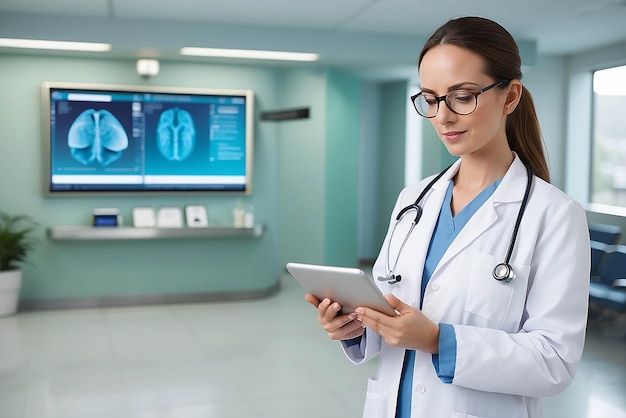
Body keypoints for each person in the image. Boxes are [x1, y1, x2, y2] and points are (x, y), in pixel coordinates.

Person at [305, 16, 590, 418]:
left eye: (462, 96)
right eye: (431, 98)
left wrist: (440, 341)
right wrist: (355, 326)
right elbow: (393, 314)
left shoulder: (555, 216)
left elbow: (555, 362)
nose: (442, 116)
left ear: (509, 98)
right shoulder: (413, 199)